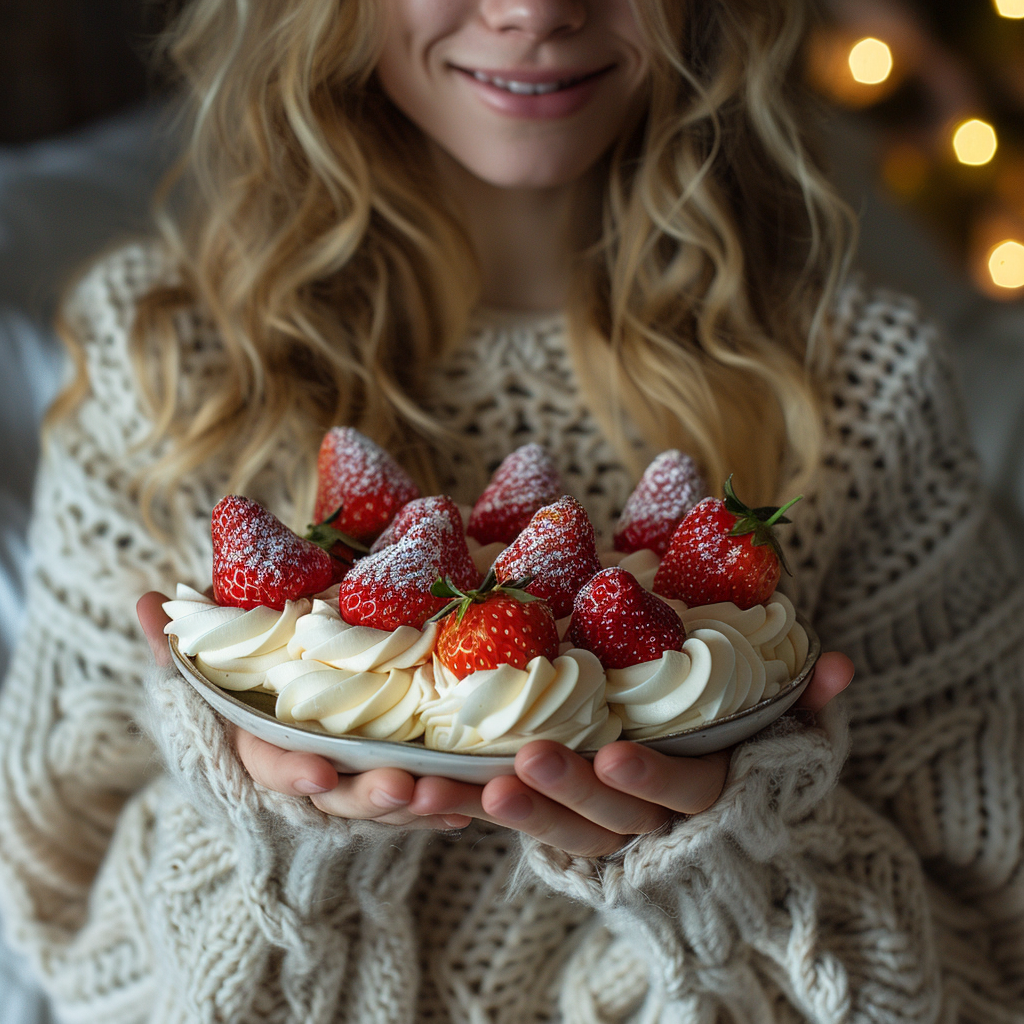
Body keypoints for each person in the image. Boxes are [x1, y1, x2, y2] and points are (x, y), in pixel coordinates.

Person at [0, 0, 1020, 1021]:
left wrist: (728, 866)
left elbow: (988, 972)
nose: (533, 10)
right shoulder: (167, 367)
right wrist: (280, 844)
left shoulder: (860, 387)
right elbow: (70, 948)